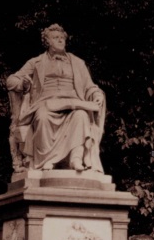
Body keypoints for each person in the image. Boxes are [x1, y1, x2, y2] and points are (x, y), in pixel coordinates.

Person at [7, 23, 105, 172]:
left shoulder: (78, 63)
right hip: (46, 104)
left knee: (81, 116)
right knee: (42, 117)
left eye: (62, 38)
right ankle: (46, 161)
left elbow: (89, 86)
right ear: (47, 42)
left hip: (74, 104)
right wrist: (23, 84)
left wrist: (96, 95)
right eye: (55, 37)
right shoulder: (36, 62)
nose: (60, 40)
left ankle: (76, 158)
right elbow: (11, 81)